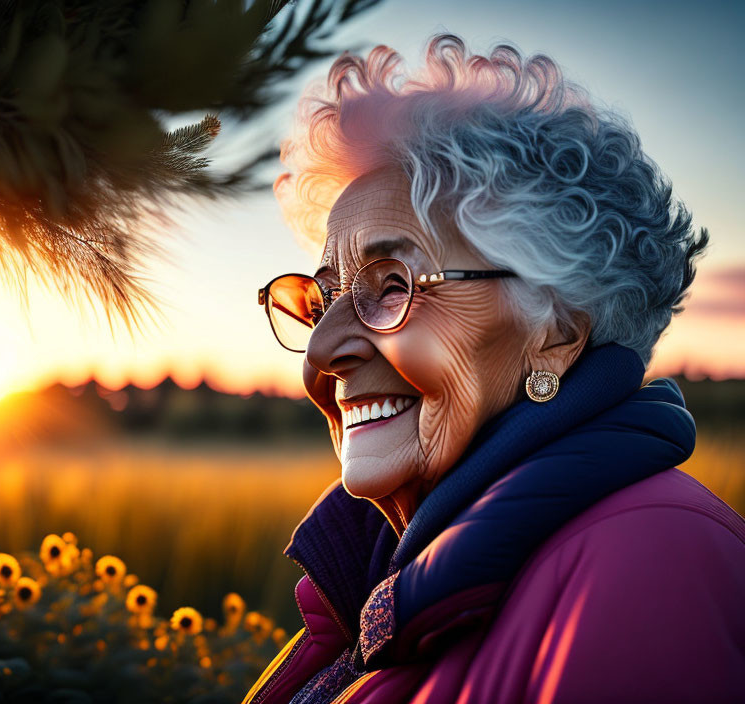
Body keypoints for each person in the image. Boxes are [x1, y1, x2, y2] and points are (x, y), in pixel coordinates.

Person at [244, 33, 745, 704]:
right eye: (325, 297)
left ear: (557, 335)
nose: (320, 351)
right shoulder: (373, 579)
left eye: (392, 285)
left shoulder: (653, 558)